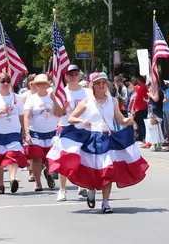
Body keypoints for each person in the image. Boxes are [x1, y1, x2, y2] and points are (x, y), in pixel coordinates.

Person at [48, 72, 147, 213]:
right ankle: (91, 189)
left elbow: (119, 119)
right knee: (93, 171)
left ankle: (105, 203)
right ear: (92, 86)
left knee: (108, 171)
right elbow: (71, 118)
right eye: (98, 83)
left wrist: (128, 120)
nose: (101, 86)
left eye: (103, 82)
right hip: (92, 140)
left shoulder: (112, 101)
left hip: (107, 139)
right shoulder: (87, 101)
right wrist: (82, 121)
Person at [53, 64, 91, 202]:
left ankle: (82, 185)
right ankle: (62, 190)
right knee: (65, 159)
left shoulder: (87, 92)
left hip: (84, 128)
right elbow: (57, 113)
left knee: (84, 158)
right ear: (66, 77)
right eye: (70, 74)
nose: (73, 76)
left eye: (76, 74)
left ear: (79, 75)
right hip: (67, 128)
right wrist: (63, 107)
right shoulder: (61, 93)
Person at [23, 74, 64, 191]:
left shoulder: (52, 97)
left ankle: (48, 173)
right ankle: (38, 182)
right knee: (36, 158)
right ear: (35, 85)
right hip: (36, 132)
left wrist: (54, 100)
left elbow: (59, 113)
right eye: (39, 83)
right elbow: (26, 116)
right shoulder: (31, 99)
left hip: (51, 132)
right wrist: (26, 132)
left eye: (44, 83)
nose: (42, 85)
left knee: (51, 158)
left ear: (47, 84)